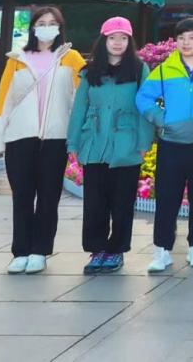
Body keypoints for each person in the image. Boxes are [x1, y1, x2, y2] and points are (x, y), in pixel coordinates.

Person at [0, 7, 85, 275]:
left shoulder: (71, 58)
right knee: (22, 196)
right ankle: (20, 251)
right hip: (20, 137)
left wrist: (78, 136)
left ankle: (40, 251)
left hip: (55, 138)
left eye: (52, 23)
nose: (47, 27)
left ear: (60, 27)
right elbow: (4, 100)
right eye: (42, 22)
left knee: (48, 197)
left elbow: (81, 98)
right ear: (33, 27)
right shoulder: (17, 59)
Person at [136, 17, 193, 274]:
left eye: (192, 38)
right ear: (176, 41)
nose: (186, 43)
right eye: (181, 38)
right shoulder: (164, 70)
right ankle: (162, 250)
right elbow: (143, 98)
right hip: (171, 144)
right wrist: (161, 118)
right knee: (167, 199)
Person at [67, 17, 154, 275]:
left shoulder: (139, 70)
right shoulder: (90, 72)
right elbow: (79, 109)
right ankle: (97, 249)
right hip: (94, 143)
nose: (118, 43)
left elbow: (145, 107)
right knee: (95, 201)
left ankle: (116, 250)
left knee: (122, 201)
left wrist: (144, 142)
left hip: (126, 143)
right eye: (113, 38)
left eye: (123, 38)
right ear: (103, 41)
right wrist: (73, 143)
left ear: (130, 41)